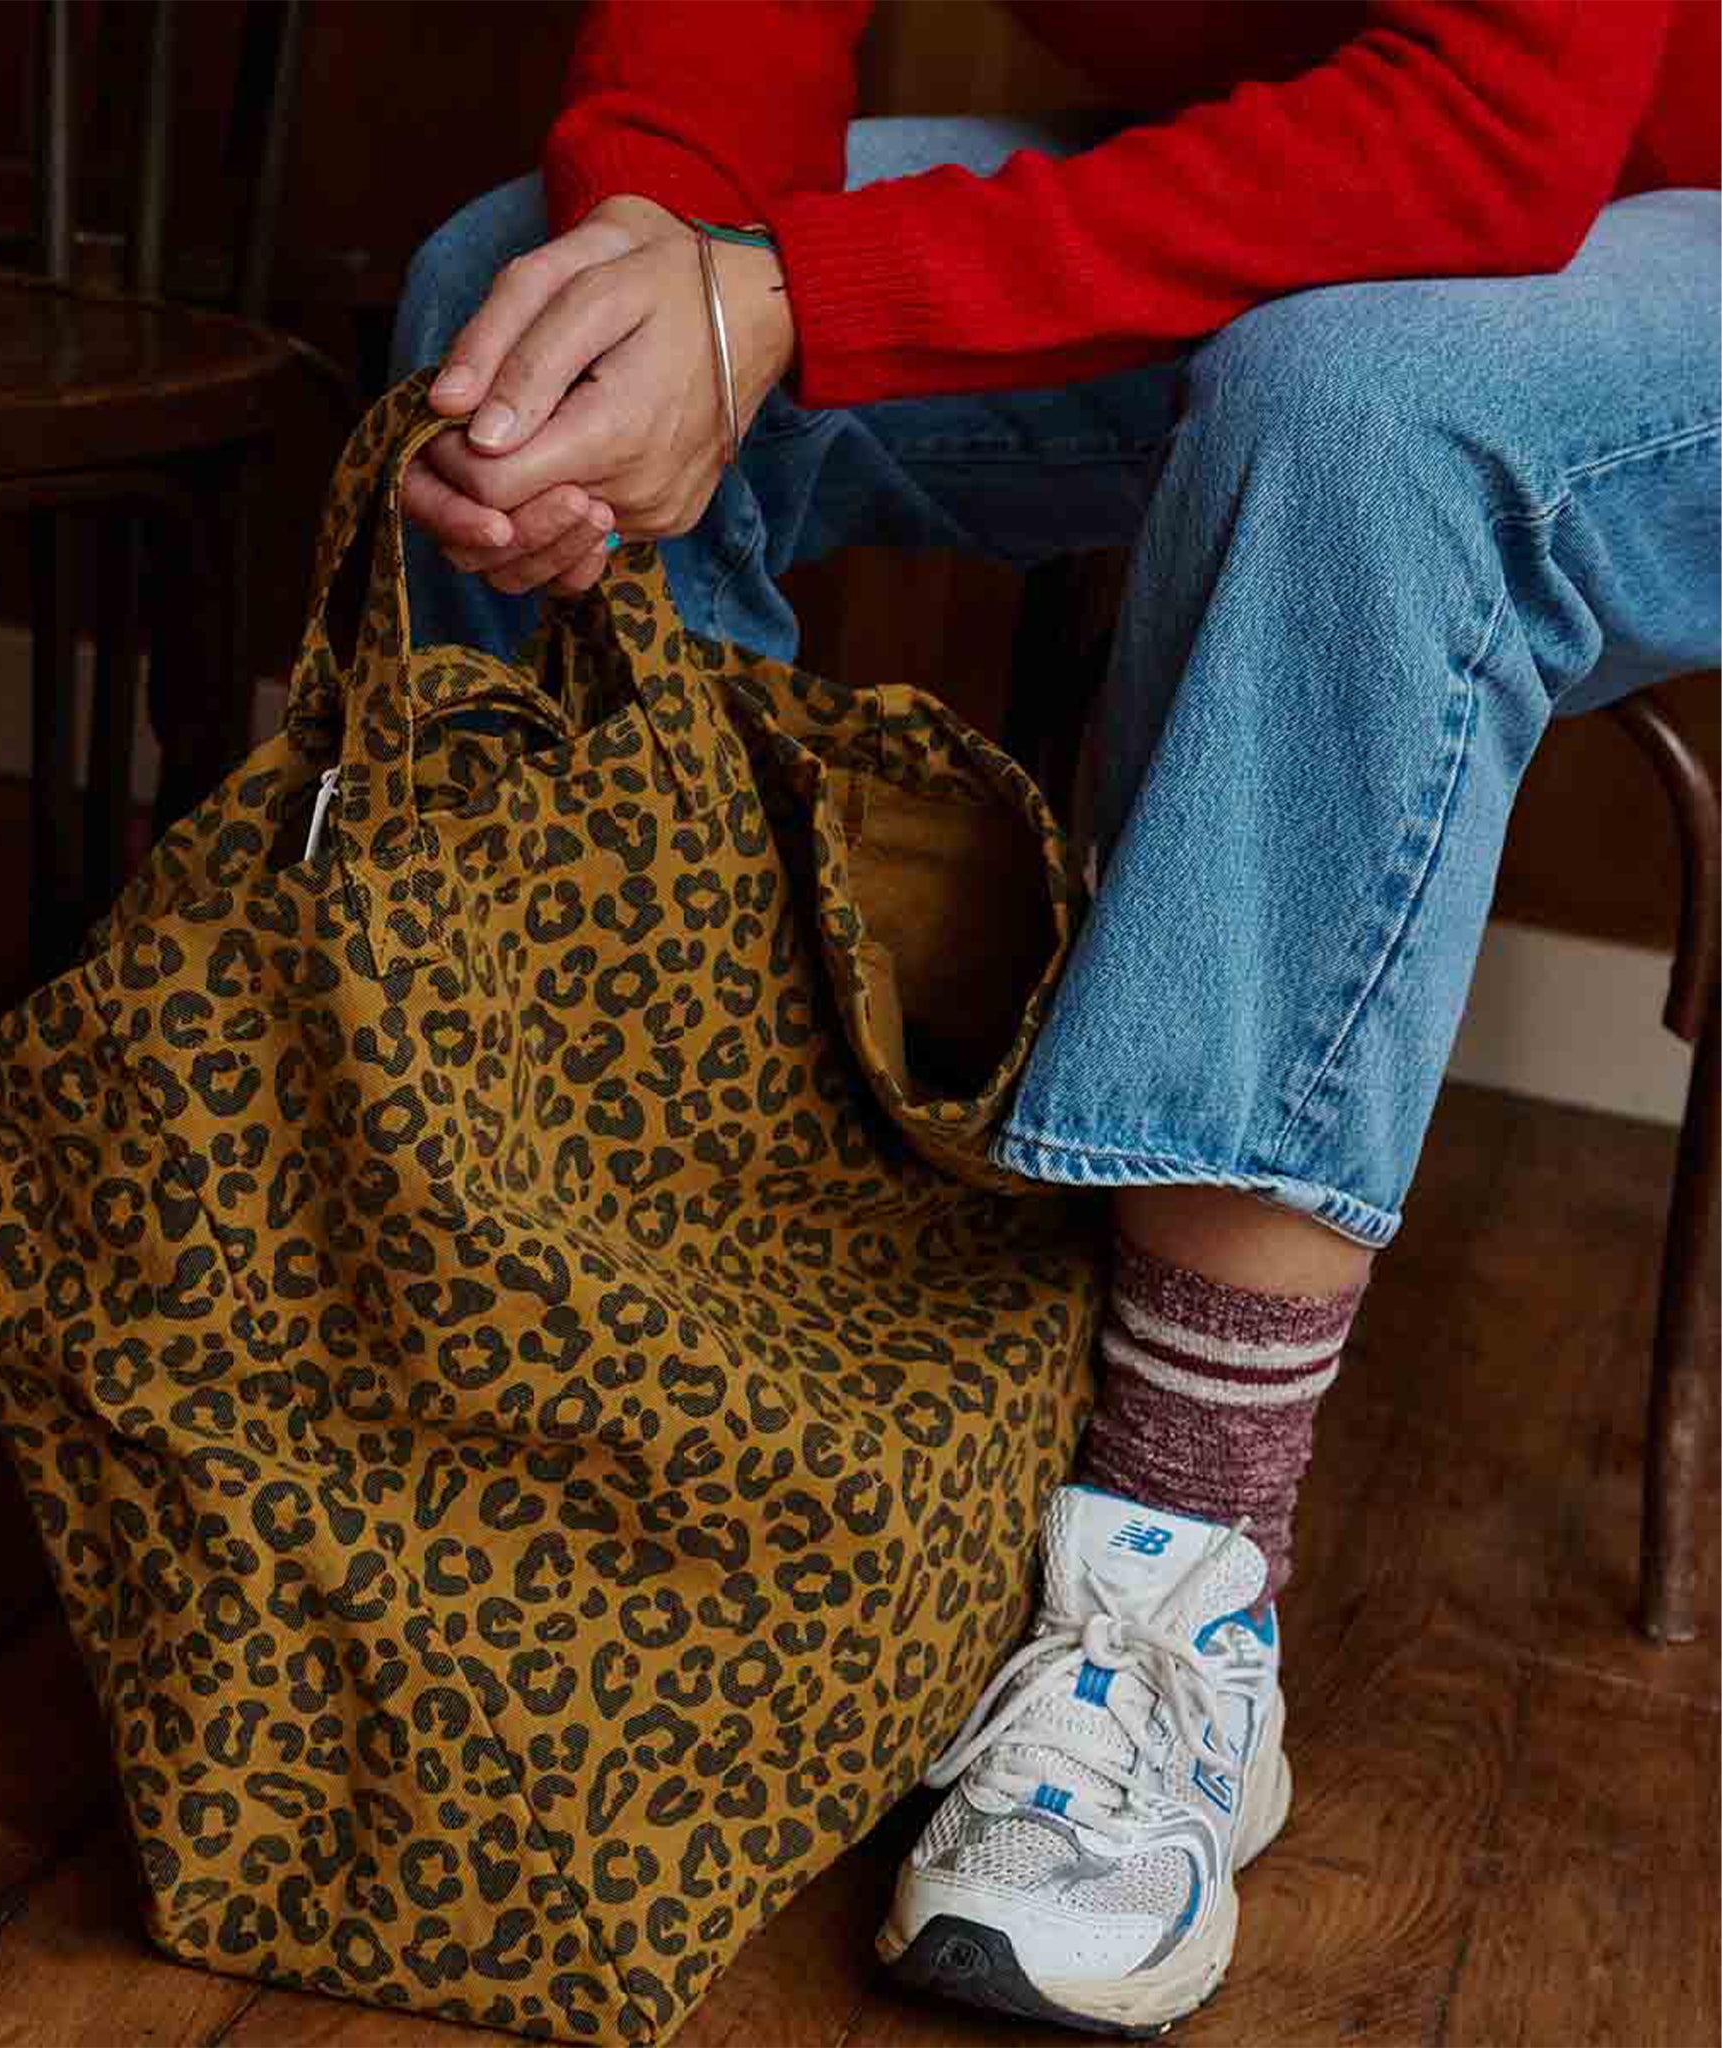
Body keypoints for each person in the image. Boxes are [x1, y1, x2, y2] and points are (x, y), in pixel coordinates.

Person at [386, 2, 1720, 2032]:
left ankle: (1172, 1596)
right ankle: (673, 1380)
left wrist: (786, 296)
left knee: (1362, 405)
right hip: (1326, 179)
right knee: (519, 308)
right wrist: (659, 253)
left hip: (1623, 222)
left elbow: (1491, 135)